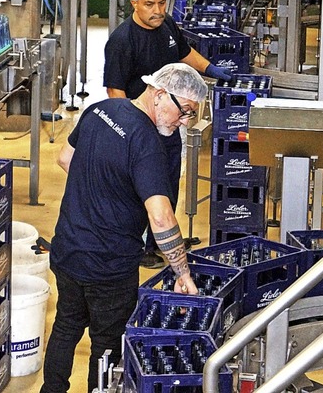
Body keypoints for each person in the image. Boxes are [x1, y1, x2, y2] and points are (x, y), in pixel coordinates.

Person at [40, 63, 209, 393]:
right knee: (106, 344)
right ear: (160, 95)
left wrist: (100, 194)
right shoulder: (146, 144)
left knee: (66, 323)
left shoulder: (99, 110)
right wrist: (182, 272)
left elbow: (65, 159)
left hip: (68, 249)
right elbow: (160, 217)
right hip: (109, 266)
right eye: (185, 112)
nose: (185, 123)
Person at [103, 0, 232, 268]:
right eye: (150, 4)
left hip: (170, 123)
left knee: (168, 183)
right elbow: (115, 91)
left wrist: (211, 68)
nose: (158, 10)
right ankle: (135, 247)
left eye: (162, 3)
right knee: (139, 188)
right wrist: (127, 130)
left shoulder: (167, 26)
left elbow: (185, 53)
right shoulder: (123, 40)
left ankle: (157, 243)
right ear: (135, 4)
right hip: (141, 126)